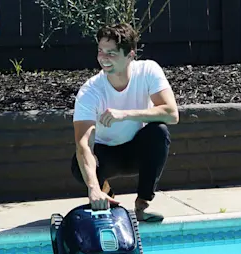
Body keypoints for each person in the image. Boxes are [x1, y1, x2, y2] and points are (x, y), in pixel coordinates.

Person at [70, 22, 180, 223]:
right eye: (100, 51)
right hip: (105, 155)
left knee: (159, 132)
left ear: (130, 55)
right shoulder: (90, 91)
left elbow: (172, 114)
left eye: (111, 53)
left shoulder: (148, 70)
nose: (103, 58)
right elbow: (84, 144)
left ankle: (142, 205)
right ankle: (106, 194)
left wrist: (125, 114)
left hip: (136, 150)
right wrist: (93, 188)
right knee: (79, 166)